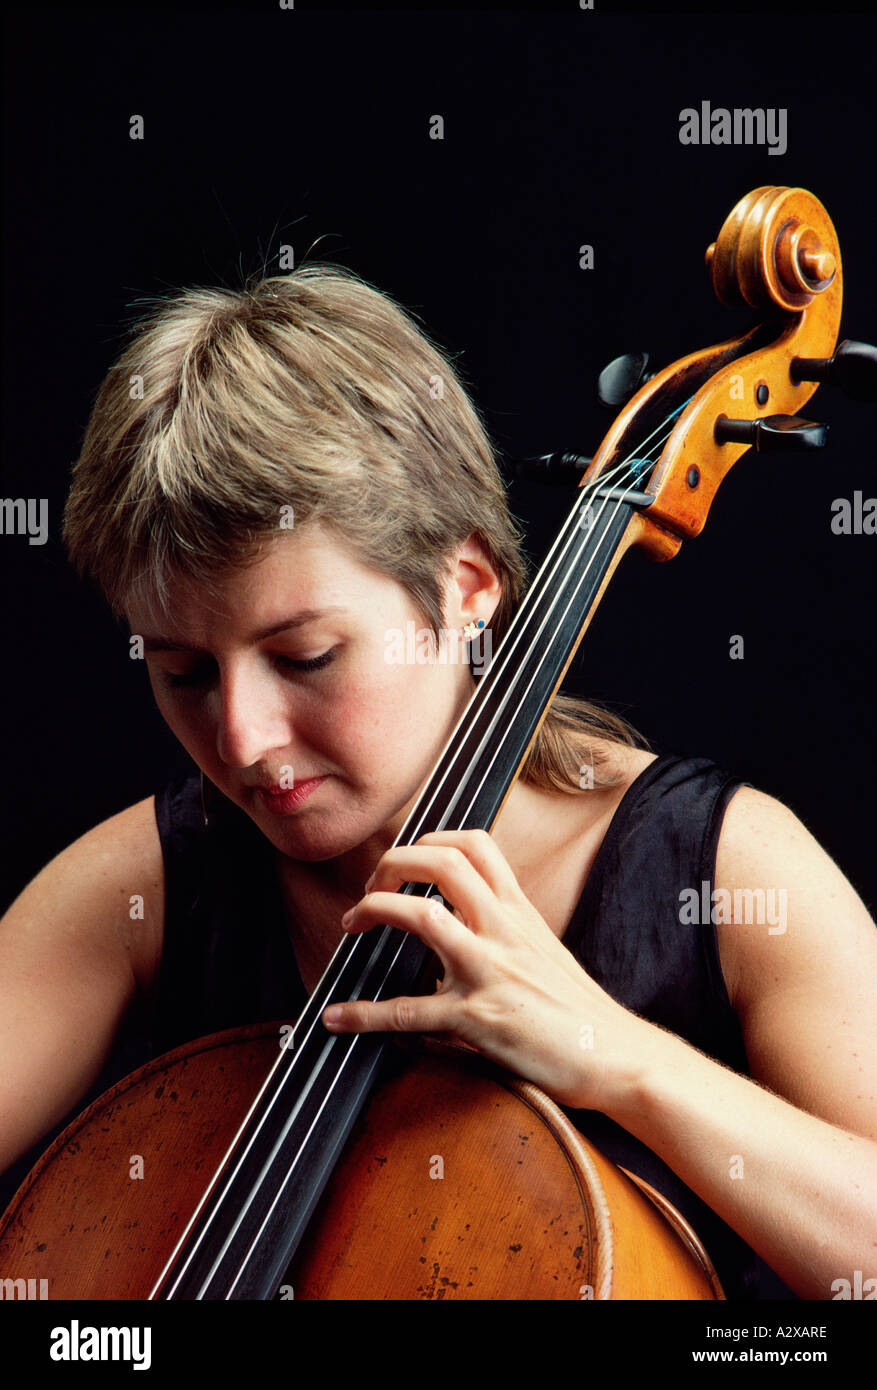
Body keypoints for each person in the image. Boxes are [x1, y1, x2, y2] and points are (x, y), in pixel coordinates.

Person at [0, 265, 874, 1302]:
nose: (240, 739)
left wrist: (624, 1060)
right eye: (182, 672)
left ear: (464, 589)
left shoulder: (726, 872)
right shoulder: (138, 892)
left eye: (306, 656)